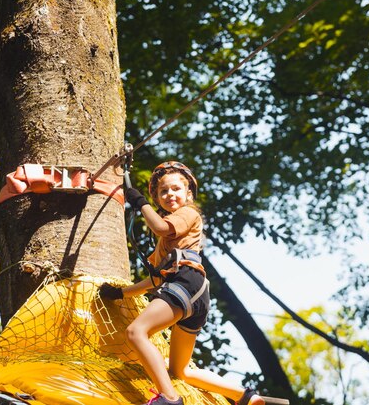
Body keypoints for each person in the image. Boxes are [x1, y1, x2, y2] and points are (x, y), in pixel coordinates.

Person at [99, 161, 264, 405]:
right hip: (195, 293)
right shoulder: (165, 246)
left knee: (136, 332)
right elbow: (154, 279)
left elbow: (160, 226)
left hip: (186, 282)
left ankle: (169, 398)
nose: (169, 195)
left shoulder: (188, 214)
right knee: (181, 370)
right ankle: (246, 397)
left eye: (176, 189)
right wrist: (121, 293)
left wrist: (140, 202)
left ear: (188, 194)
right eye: (163, 192)